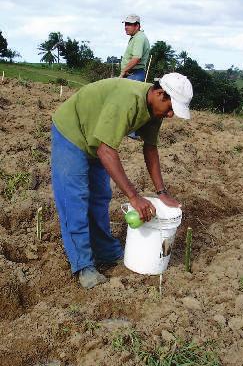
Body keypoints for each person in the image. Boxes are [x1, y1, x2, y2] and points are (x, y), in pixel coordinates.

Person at [51, 73, 193, 289]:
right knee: (75, 201)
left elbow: (150, 148)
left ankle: (105, 251)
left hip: (95, 137)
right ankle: (84, 266)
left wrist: (162, 192)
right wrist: (134, 197)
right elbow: (106, 150)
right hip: (72, 132)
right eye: (171, 108)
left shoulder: (155, 110)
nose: (171, 114)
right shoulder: (127, 101)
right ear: (159, 93)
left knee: (99, 198)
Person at [120, 14, 150, 81]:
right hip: (132, 74)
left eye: (129, 24)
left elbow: (136, 58)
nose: (126, 27)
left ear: (137, 26)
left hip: (135, 74)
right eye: (125, 24)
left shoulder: (139, 38)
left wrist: (123, 72)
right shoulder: (136, 37)